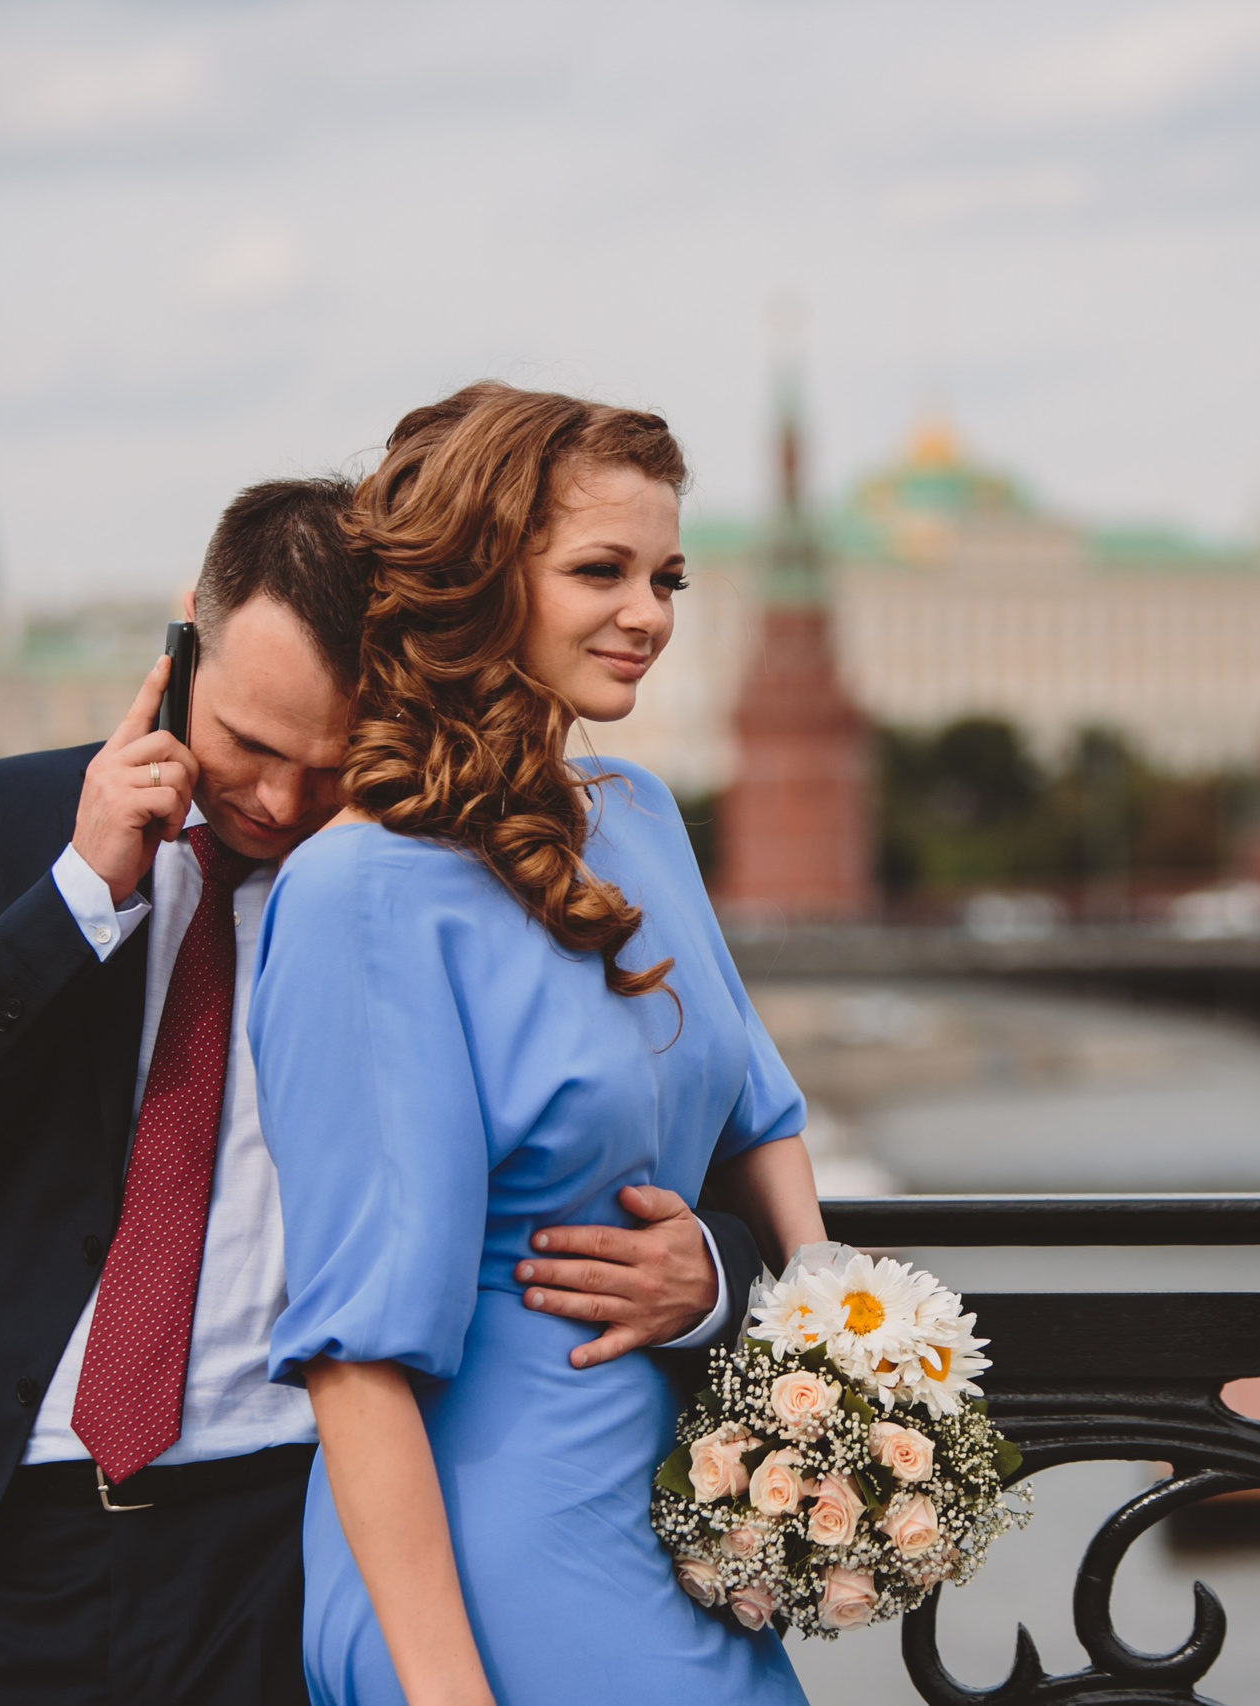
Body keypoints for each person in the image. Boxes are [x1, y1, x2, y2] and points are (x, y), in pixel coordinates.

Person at [0, 475, 765, 1703]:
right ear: (185, 639)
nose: (276, 803)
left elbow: (683, 1117)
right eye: (250, 746)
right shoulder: (7, 821)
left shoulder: (444, 870)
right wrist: (76, 896)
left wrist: (716, 1272)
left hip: (290, 1543)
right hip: (9, 1537)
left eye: (332, 764)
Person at [251, 383, 828, 1706]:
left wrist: (820, 1331)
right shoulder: (360, 891)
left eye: (668, 575)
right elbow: (353, 1352)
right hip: (487, 1572)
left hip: (683, 1531)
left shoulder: (642, 816)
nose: (652, 615)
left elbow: (759, 1113)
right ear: (473, 580)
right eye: (601, 570)